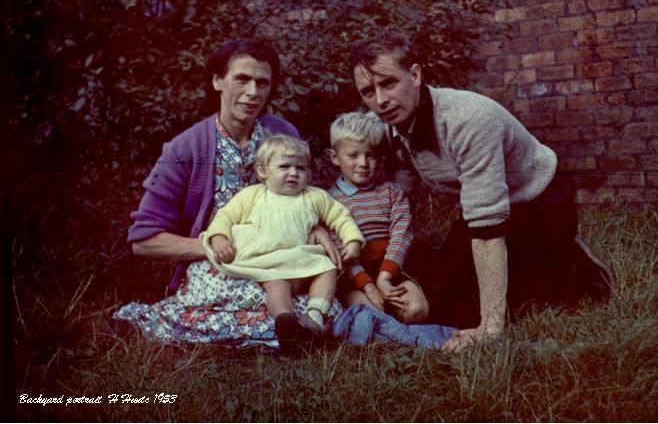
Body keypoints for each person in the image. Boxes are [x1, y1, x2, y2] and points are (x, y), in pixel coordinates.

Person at [348, 31, 613, 353]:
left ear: (415, 75)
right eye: (368, 91)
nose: (380, 100)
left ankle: (577, 263)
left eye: (389, 83)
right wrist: (389, 272)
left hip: (540, 204)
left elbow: (488, 229)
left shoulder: (468, 120)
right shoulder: (390, 126)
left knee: (510, 307)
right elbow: (400, 205)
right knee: (438, 300)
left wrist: (490, 326)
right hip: (482, 212)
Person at [121, 38, 342, 348]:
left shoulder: (283, 134)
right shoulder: (186, 148)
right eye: (242, 79)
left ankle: (277, 329)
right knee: (292, 306)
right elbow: (143, 242)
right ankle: (161, 322)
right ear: (217, 81)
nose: (253, 92)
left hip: (280, 259)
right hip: (222, 266)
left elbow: (302, 194)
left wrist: (314, 224)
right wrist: (217, 246)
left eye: (262, 82)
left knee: (321, 297)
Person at [202, 134, 364, 347]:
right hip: (269, 263)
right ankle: (285, 321)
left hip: (302, 259)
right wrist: (219, 238)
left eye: (301, 168)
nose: (293, 173)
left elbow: (340, 216)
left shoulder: (315, 196)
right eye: (284, 167)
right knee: (276, 286)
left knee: (328, 269)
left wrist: (352, 240)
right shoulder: (253, 195)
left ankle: (314, 314)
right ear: (262, 171)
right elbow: (225, 217)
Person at [327, 111, 429, 324]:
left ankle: (394, 324)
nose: (363, 163)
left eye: (371, 155)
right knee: (370, 313)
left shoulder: (392, 192)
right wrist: (368, 284)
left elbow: (402, 235)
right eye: (353, 155)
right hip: (355, 278)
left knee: (418, 310)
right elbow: (338, 248)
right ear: (335, 157)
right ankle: (383, 325)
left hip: (392, 271)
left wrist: (385, 277)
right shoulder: (329, 201)